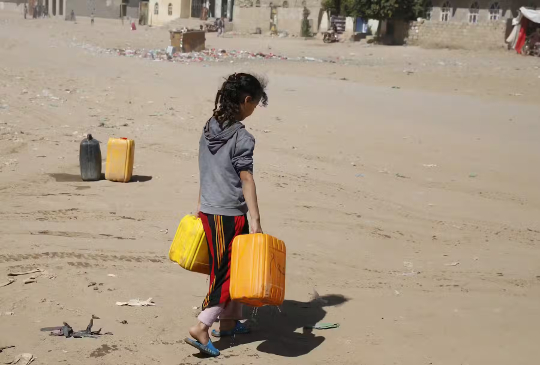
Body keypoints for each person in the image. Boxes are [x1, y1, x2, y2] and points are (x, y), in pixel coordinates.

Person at [184, 73, 269, 357]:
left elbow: (204, 169)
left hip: (209, 210)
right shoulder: (242, 137)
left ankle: (230, 321)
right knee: (227, 274)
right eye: (255, 104)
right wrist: (255, 221)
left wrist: (200, 205)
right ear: (246, 101)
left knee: (228, 267)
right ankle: (202, 326)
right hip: (230, 214)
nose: (254, 109)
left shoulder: (209, 128)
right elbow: (246, 179)